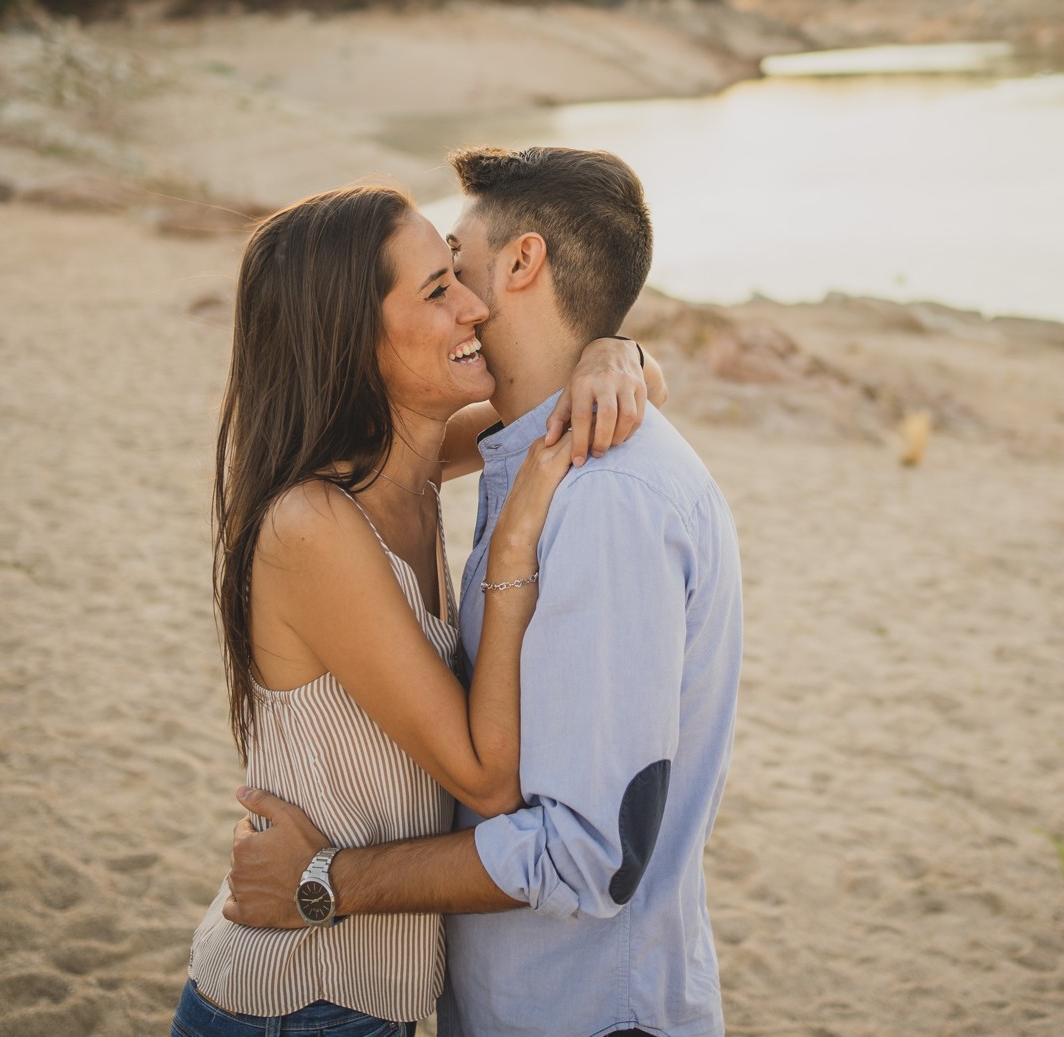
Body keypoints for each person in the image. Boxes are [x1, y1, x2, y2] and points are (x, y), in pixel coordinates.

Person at [225, 147, 744, 1037]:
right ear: (357, 334)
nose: (464, 304)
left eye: (459, 270)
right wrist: (607, 360)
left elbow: (586, 852)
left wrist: (617, 351)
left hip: (576, 1010)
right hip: (331, 1000)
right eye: (439, 288)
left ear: (523, 263)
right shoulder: (472, 464)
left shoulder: (588, 484)